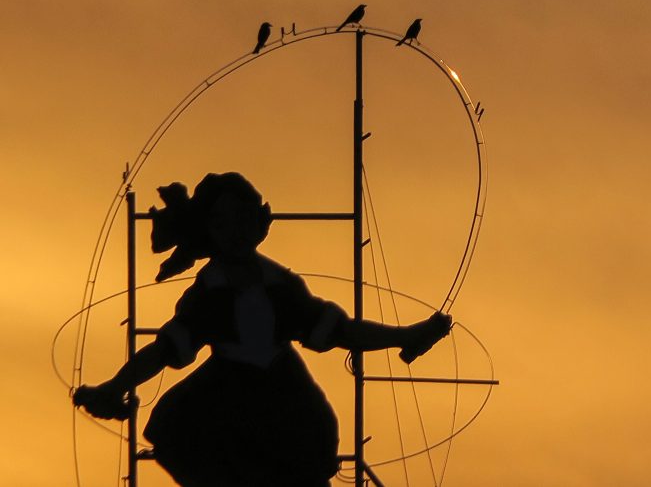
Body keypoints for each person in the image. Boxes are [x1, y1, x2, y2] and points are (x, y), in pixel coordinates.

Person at [73, 172, 451, 487]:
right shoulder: (209, 292)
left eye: (243, 219)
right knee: (173, 429)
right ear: (208, 231)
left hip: (283, 391)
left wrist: (406, 336)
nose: (235, 232)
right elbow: (165, 350)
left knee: (308, 445)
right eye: (223, 222)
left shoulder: (280, 285)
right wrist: (115, 386)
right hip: (226, 391)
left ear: (261, 223)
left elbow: (341, 332)